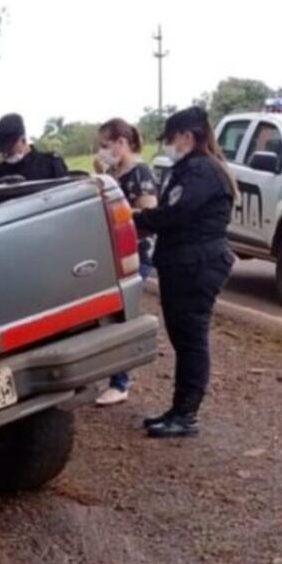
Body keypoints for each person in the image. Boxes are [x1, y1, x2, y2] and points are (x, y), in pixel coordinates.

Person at [133, 106, 236, 438]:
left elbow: (176, 213)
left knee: (191, 339)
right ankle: (179, 409)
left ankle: (186, 414)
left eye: (171, 138)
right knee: (184, 338)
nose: (168, 145)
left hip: (197, 263)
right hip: (186, 261)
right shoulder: (194, 168)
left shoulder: (201, 171)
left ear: (187, 136)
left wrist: (136, 220)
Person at [93, 118, 159, 406]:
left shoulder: (140, 173)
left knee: (121, 317)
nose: (103, 151)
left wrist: (118, 213)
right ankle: (115, 377)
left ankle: (120, 383)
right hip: (114, 257)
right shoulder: (114, 173)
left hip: (136, 255)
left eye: (106, 145)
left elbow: (148, 213)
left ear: (122, 142)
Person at [0, 113, 68, 184]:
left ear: (23, 140)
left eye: (10, 149)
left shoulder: (50, 164)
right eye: (2, 149)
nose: (5, 154)